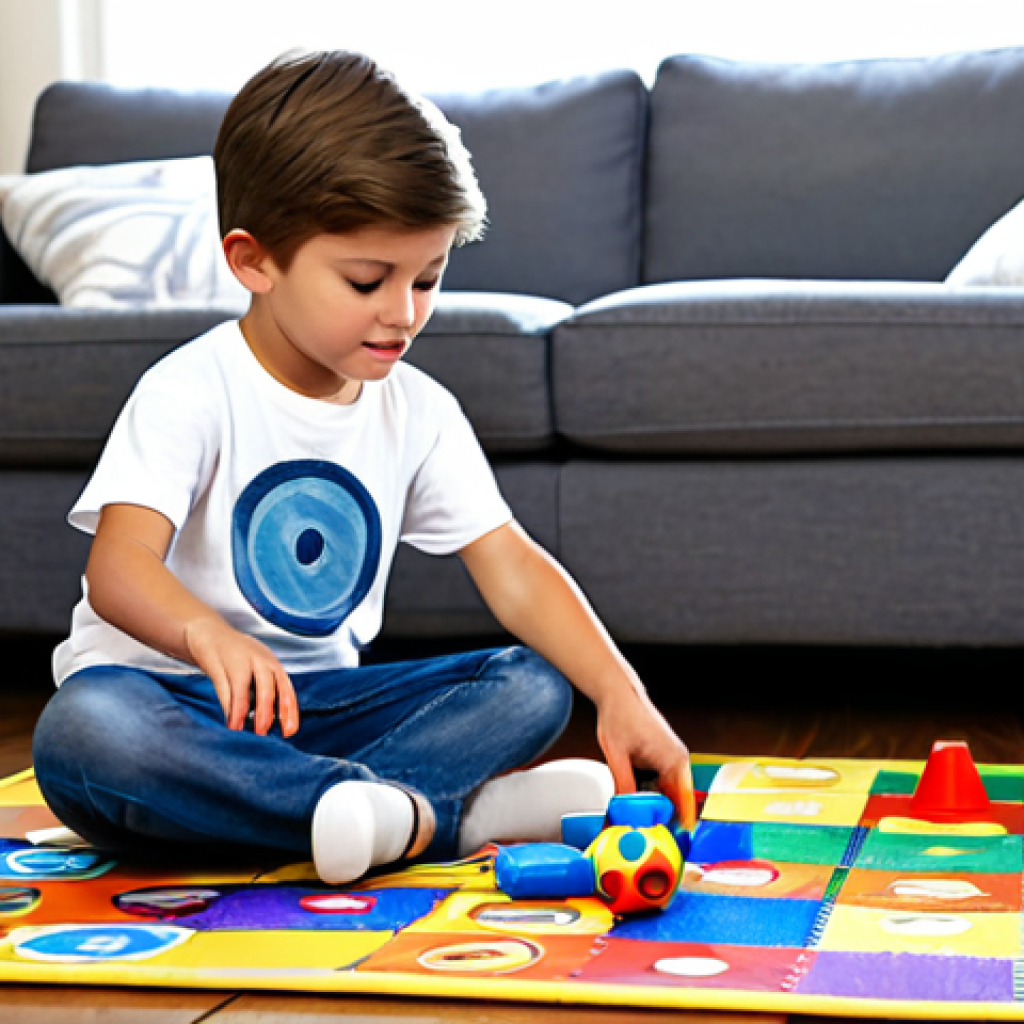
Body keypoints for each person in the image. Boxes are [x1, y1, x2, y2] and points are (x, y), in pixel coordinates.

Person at [32, 50, 695, 885]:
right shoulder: (188, 391)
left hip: (324, 713)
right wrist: (207, 635)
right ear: (253, 260)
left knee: (529, 682)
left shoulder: (418, 412)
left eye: (429, 278)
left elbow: (514, 568)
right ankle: (435, 811)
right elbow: (116, 571)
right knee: (82, 731)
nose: (403, 313)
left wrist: (621, 691)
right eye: (366, 280)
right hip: (171, 710)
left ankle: (356, 813)